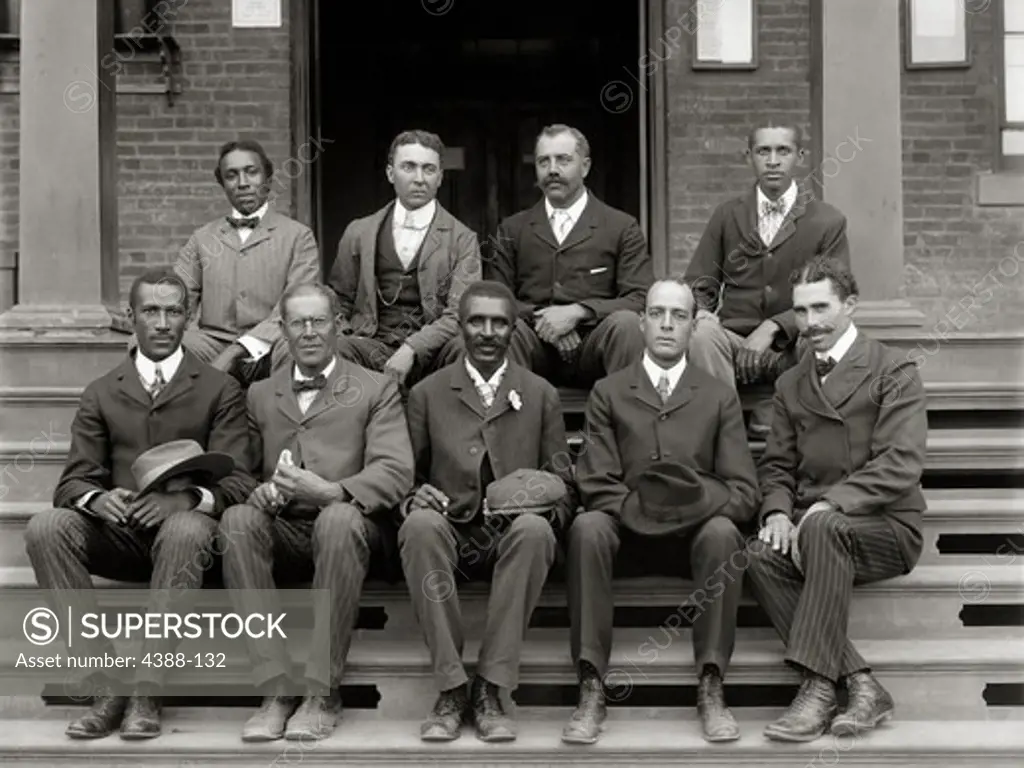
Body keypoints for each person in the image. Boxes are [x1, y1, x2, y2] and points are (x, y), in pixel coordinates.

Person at [24, 268, 256, 740]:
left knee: (187, 529)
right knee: (46, 526)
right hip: (124, 536)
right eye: (151, 311)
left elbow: (242, 481)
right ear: (131, 317)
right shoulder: (102, 391)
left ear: (188, 318)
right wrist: (97, 498)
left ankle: (147, 690)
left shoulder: (219, 388)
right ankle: (107, 685)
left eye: (174, 311)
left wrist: (186, 500)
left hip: (191, 546)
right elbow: (72, 482)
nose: (163, 322)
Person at [563, 278, 759, 745]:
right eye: (656, 313)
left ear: (694, 326)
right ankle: (591, 685)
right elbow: (595, 482)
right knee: (588, 527)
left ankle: (711, 683)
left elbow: (744, 491)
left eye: (679, 315)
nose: (667, 324)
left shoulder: (717, 394)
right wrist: (646, 511)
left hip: (694, 543)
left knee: (724, 533)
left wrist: (685, 509)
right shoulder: (608, 391)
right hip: (625, 537)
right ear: (642, 322)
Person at [219, 283, 415, 743]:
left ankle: (321, 691)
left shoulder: (375, 387)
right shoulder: (260, 394)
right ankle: (275, 688)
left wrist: (333, 490)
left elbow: (395, 470)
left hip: (353, 526)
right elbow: (238, 473)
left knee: (338, 518)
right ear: (282, 331)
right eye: (298, 323)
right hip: (285, 527)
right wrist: (259, 493)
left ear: (337, 325)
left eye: (319, 321)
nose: (309, 332)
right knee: (237, 522)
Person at [745, 255, 927, 742]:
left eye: (821, 308)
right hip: (817, 528)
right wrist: (779, 512)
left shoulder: (893, 368)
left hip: (884, 528)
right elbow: (778, 465)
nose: (810, 324)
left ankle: (819, 689)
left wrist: (829, 504)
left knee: (823, 525)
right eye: (800, 312)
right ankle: (861, 684)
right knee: (760, 553)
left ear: (851, 305)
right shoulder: (790, 382)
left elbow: (900, 463)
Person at [398, 280, 577, 743]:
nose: (487, 331)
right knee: (418, 525)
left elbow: (566, 486)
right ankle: (453, 688)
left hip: (511, 535)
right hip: (450, 531)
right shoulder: (427, 393)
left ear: (514, 330)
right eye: (477, 321)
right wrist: (414, 497)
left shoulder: (539, 394)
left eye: (499, 322)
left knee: (537, 531)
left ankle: (491, 688)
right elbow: (406, 478)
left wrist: (539, 505)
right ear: (460, 328)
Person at [684, 122, 849, 434]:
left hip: (794, 346)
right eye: (763, 151)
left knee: (823, 331)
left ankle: (788, 418)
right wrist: (703, 313)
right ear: (750, 156)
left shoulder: (827, 220)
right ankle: (724, 429)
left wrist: (775, 325)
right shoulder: (727, 214)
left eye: (782, 151)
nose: (773, 160)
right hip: (733, 343)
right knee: (700, 335)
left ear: (799, 156)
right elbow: (700, 282)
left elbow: (832, 292)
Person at [483, 124, 651, 386]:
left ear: (585, 167)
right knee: (505, 329)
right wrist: (544, 319)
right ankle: (510, 421)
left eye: (563, 160)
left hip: (595, 346)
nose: (552, 170)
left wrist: (579, 312)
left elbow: (640, 298)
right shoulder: (512, 229)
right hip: (533, 346)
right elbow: (496, 298)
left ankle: (626, 419)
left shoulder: (621, 226)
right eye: (543, 161)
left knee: (628, 325)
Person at [328, 129, 481, 387]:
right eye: (408, 167)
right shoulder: (360, 231)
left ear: (440, 177)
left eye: (429, 169)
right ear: (391, 173)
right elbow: (339, 299)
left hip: (434, 353)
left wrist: (412, 348)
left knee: (465, 349)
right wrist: (347, 333)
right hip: (372, 346)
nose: (419, 178)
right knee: (337, 348)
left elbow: (459, 314)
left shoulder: (462, 239)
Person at [174, 139, 321, 383]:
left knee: (296, 347)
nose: (243, 183)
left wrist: (238, 349)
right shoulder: (203, 238)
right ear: (223, 184)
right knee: (156, 342)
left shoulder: (298, 236)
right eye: (231, 176)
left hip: (273, 345)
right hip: (214, 344)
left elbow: (296, 305)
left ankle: (286, 418)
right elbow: (179, 297)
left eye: (251, 172)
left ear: (268, 178)